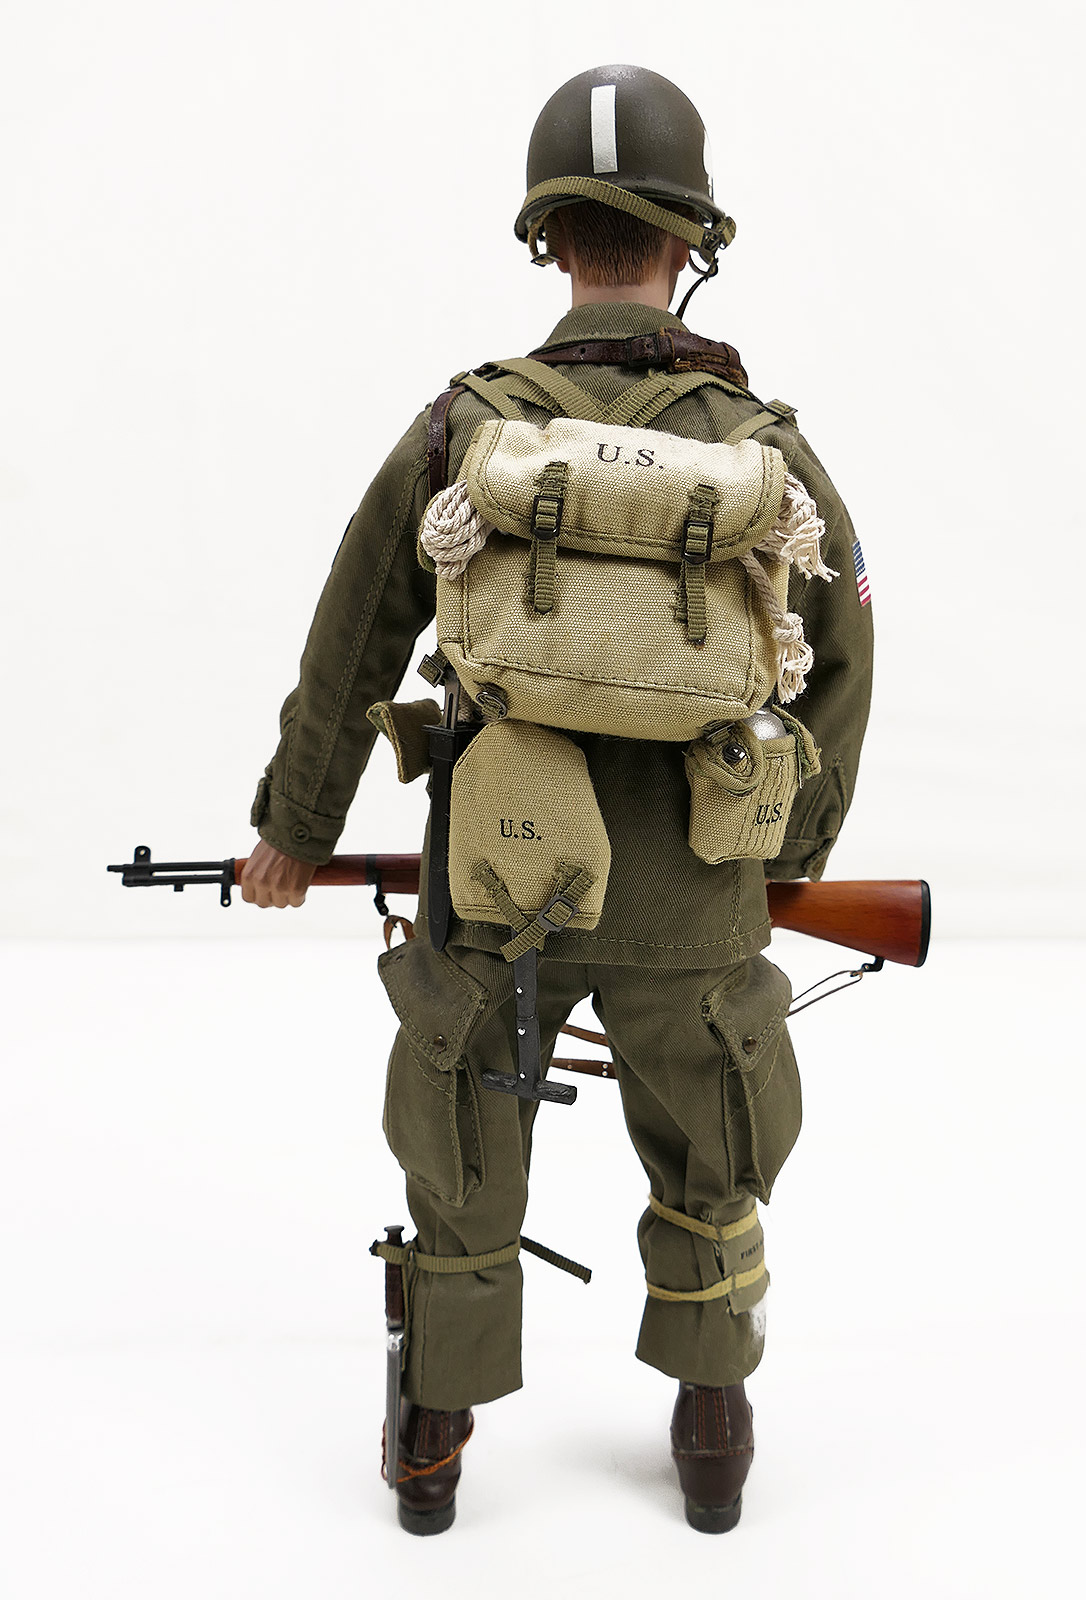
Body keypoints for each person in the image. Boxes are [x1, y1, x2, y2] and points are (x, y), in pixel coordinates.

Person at [241, 63, 873, 1534]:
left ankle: (434, 1434)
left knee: (460, 1154)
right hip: (696, 888)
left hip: (497, 880)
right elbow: (842, 650)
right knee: (713, 1161)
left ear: (549, 239)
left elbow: (353, 637)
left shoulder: (466, 430)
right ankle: (712, 1424)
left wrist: (295, 828)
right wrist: (786, 853)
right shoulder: (759, 449)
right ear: (689, 239)